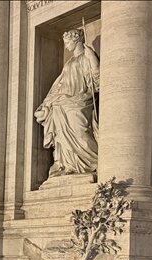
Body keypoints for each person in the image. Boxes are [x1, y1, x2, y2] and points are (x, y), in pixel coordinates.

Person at [34, 28, 100, 178]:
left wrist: (92, 58)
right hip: (63, 102)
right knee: (61, 135)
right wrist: (46, 104)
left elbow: (97, 78)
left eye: (68, 42)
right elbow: (59, 86)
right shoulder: (69, 62)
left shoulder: (86, 57)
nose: (66, 46)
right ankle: (65, 164)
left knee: (81, 132)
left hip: (81, 101)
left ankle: (92, 161)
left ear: (76, 40)